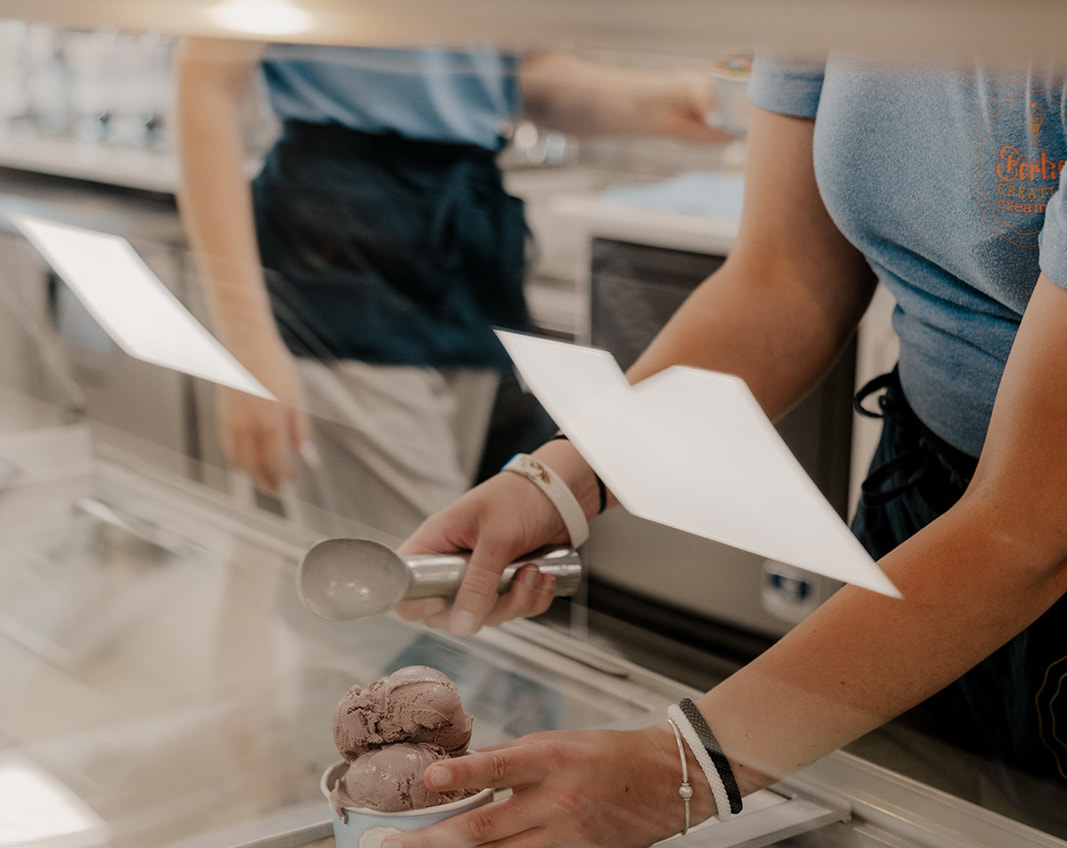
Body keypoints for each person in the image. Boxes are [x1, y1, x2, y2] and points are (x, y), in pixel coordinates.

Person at [374, 58, 1067, 848]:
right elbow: (780, 281)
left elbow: (1029, 525)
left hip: (1028, 531)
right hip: (927, 502)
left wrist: (685, 770)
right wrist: (564, 476)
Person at [175, 41, 723, 535]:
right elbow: (205, 84)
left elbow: (512, 75)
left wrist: (668, 100)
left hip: (466, 242)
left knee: (447, 553)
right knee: (411, 572)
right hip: (340, 243)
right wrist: (247, 344)